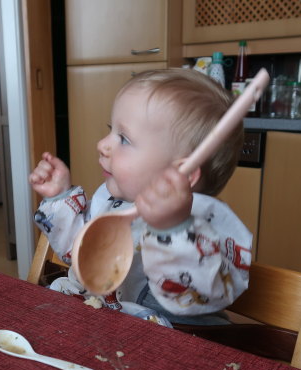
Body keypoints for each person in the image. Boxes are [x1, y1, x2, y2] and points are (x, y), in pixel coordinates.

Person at [29, 68, 252, 327]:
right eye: (111, 129)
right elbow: (80, 253)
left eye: (123, 138)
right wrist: (61, 196)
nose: (103, 144)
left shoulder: (207, 223)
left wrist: (173, 229)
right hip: (108, 327)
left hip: (176, 345)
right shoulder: (115, 201)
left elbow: (201, 292)